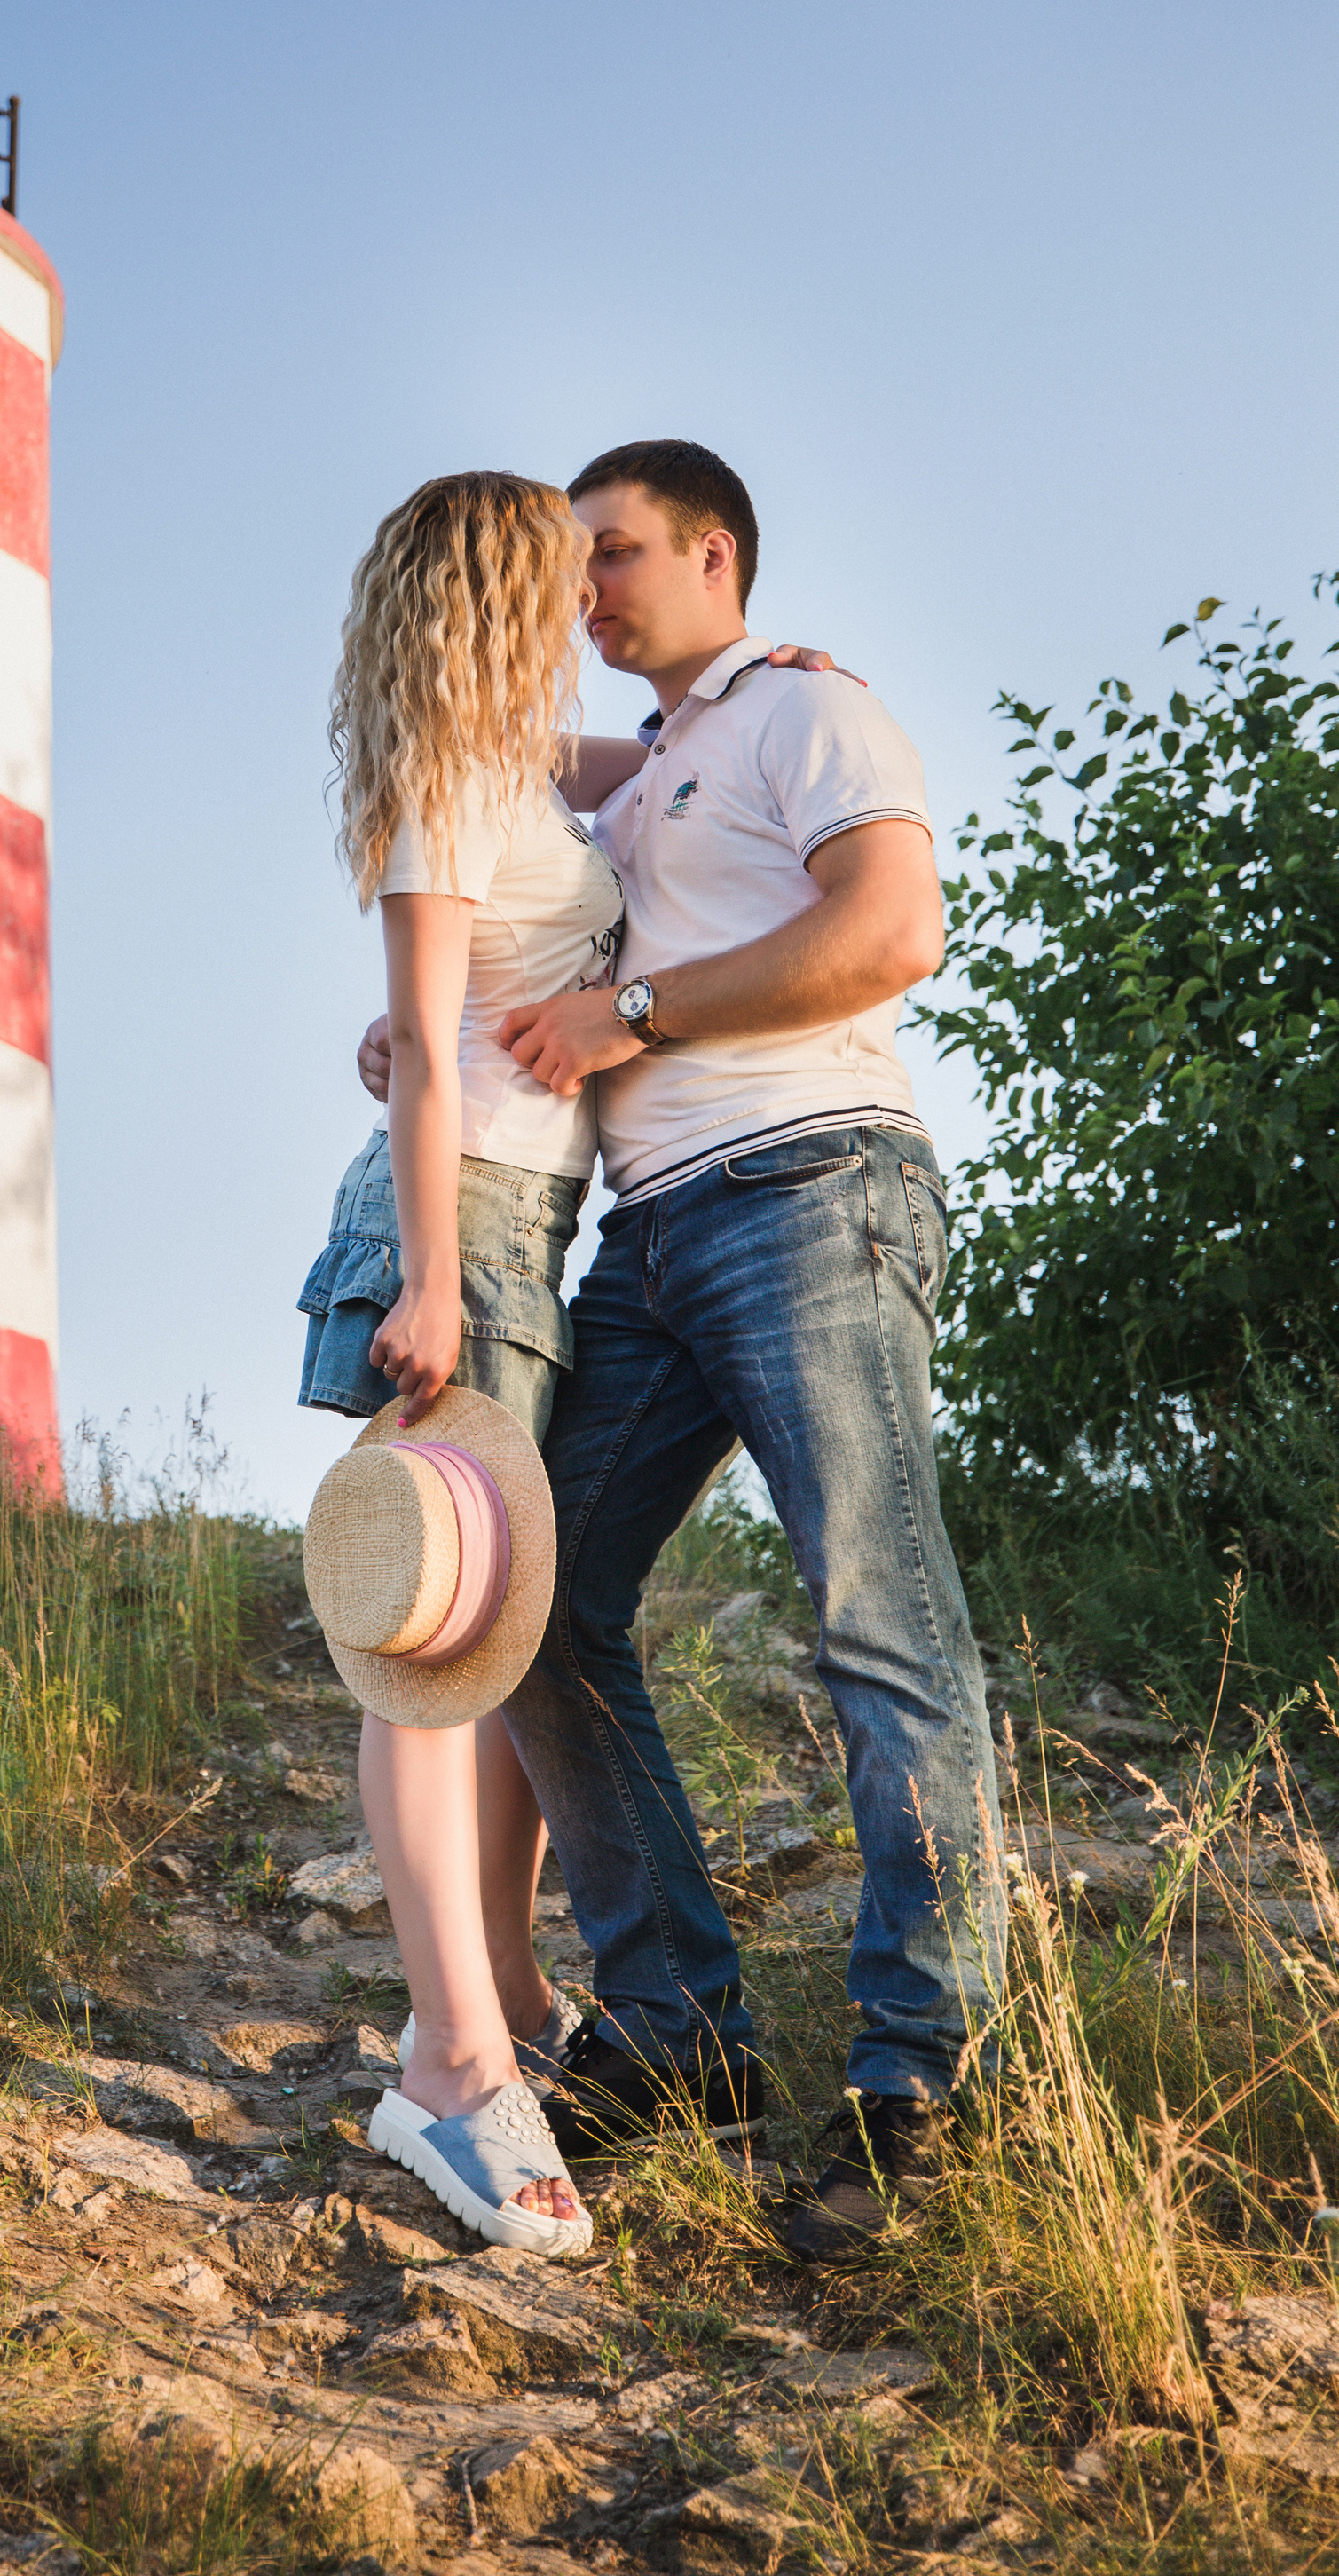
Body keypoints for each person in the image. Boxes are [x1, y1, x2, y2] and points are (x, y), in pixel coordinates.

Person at [358, 439, 1004, 2263]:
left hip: (809, 1185)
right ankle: (678, 2033)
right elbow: (478, 811)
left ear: (714, 554)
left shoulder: (807, 716)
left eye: (613, 553)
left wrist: (620, 1007)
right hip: (644, 1235)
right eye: (565, 563)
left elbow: (891, 930)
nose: (581, 587)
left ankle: (917, 2081)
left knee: (875, 1613)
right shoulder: (638, 777)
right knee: (527, 1605)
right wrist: (443, 1031)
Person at [297, 470, 618, 2246]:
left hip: (515, 1224)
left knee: (480, 1646)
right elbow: (420, 1046)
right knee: (428, 1656)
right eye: (561, 575)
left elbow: (643, 780)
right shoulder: (444, 779)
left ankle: (492, 2007)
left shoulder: (518, 775)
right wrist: (427, 1277)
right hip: (458, 1232)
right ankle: (444, 2069)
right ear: (498, 590)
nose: (585, 598)